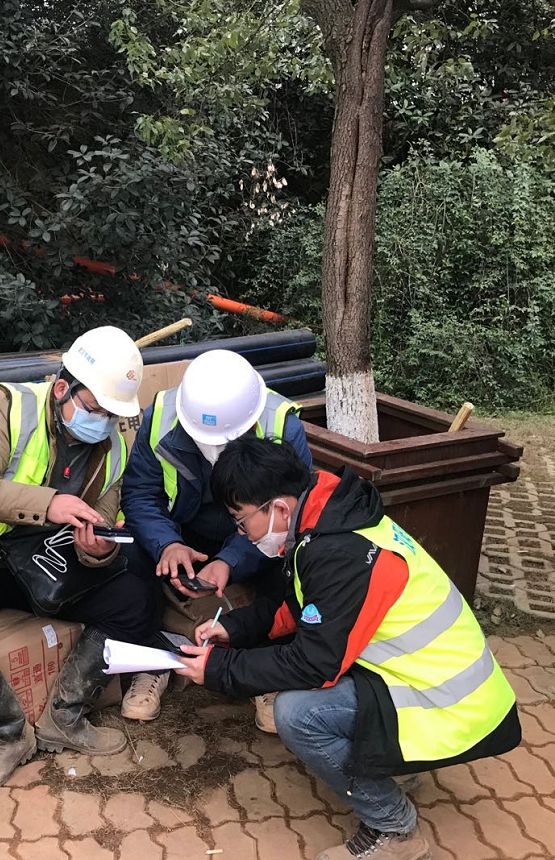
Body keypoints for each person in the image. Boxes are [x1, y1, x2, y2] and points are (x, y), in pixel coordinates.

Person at [176, 436, 522, 860]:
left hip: (450, 704)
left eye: (241, 520)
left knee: (298, 714)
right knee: (310, 690)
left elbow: (314, 664)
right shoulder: (328, 518)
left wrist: (219, 670)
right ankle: (391, 769)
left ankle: (395, 829)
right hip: (431, 682)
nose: (241, 533)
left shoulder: (339, 551)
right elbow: (303, 608)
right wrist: (233, 628)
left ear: (278, 509)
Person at [0, 326, 160, 785]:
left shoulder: (114, 449)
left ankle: (64, 718)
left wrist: (98, 550)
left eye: (112, 415)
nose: (103, 423)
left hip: (45, 560)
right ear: (62, 389)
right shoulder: (10, 409)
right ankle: (9, 735)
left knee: (137, 600)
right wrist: (49, 503)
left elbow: (103, 519)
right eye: (95, 409)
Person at [121, 348, 312, 723]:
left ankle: (269, 674)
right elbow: (140, 495)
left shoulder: (281, 426)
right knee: (130, 557)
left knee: (291, 564)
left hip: (255, 537)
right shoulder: (161, 417)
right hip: (184, 532)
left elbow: (290, 517)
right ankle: (154, 660)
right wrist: (168, 544)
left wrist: (231, 559)